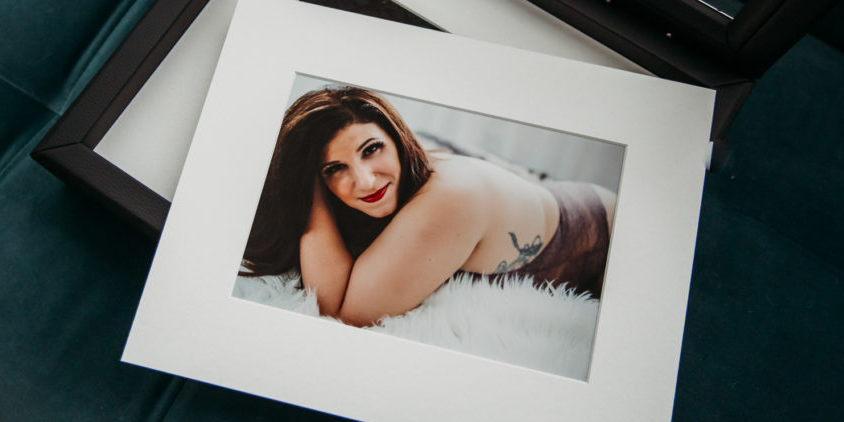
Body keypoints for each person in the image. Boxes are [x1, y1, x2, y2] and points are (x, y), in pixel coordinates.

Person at [242, 86, 615, 327]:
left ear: (396, 138)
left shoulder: (449, 199)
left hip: (611, 238)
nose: (366, 181)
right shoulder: (402, 169)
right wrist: (304, 177)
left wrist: (309, 197)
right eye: (334, 169)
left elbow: (340, 312)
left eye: (372, 150)